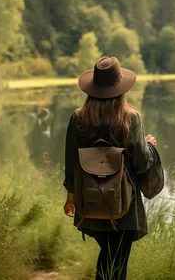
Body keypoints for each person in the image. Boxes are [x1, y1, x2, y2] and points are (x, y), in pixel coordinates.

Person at [63, 56, 158, 280]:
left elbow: (70, 163)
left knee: (109, 254)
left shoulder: (78, 119)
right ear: (121, 89)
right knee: (117, 261)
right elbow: (142, 163)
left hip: (90, 200)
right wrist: (150, 148)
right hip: (124, 203)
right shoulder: (130, 118)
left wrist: (70, 197)